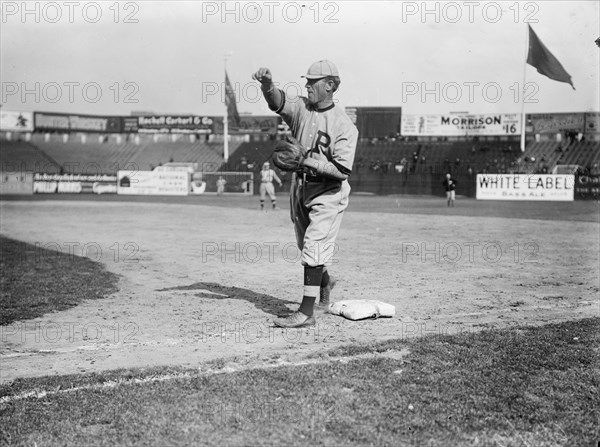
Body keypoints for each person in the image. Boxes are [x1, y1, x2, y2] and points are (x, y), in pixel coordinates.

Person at [252, 60, 358, 328]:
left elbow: (342, 171)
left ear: (330, 85)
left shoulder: (344, 125)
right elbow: (278, 102)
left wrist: (306, 161)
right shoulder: (301, 107)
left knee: (313, 246)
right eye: (307, 81)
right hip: (300, 187)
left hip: (328, 192)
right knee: (305, 247)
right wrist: (267, 86)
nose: (307, 85)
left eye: (313, 81)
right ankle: (325, 281)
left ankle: (306, 312)